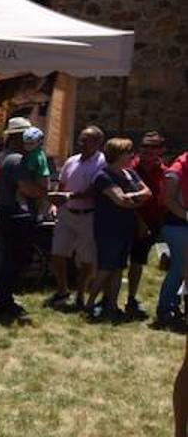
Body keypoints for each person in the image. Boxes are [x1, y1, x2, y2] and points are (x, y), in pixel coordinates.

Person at [0, 126, 48, 318]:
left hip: (6, 215)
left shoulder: (7, 161)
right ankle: (3, 304)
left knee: (8, 260)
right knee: (14, 261)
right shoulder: (19, 161)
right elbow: (29, 190)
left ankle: (3, 300)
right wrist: (45, 189)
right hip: (18, 218)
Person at [87, 138, 151, 321]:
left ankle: (112, 305)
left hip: (125, 228)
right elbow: (120, 201)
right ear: (117, 154)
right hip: (108, 229)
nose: (132, 156)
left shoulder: (130, 174)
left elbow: (148, 193)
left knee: (118, 268)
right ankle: (90, 303)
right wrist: (134, 201)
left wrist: (132, 196)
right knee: (105, 268)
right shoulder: (103, 176)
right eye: (128, 152)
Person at [48, 125, 105, 310]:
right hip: (67, 214)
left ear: (97, 142)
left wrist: (70, 196)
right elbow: (62, 184)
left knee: (87, 259)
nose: (81, 143)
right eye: (80, 139)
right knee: (58, 253)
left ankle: (80, 294)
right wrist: (55, 204)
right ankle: (62, 290)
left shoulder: (101, 162)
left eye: (86, 140)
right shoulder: (72, 161)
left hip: (88, 216)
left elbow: (95, 190)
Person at [128, 132, 168, 319]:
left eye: (153, 147)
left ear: (161, 150)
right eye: (145, 146)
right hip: (127, 221)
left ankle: (131, 298)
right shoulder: (129, 167)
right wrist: (137, 219)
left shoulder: (166, 173)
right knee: (116, 263)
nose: (148, 151)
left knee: (138, 262)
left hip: (151, 225)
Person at [154, 150, 188, 330]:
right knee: (179, 268)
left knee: (181, 268)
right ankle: (165, 309)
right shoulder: (175, 172)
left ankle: (172, 307)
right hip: (178, 226)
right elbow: (169, 201)